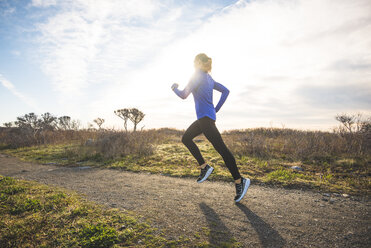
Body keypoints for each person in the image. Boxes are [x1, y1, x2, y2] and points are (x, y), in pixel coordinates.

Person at [171, 53, 250, 202]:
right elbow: (226, 91)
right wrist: (215, 109)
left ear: (198, 62)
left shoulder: (197, 76)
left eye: (194, 62)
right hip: (205, 119)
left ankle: (240, 181)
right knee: (186, 138)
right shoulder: (209, 78)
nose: (193, 64)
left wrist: (174, 88)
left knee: (222, 150)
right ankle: (204, 166)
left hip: (205, 120)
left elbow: (183, 95)